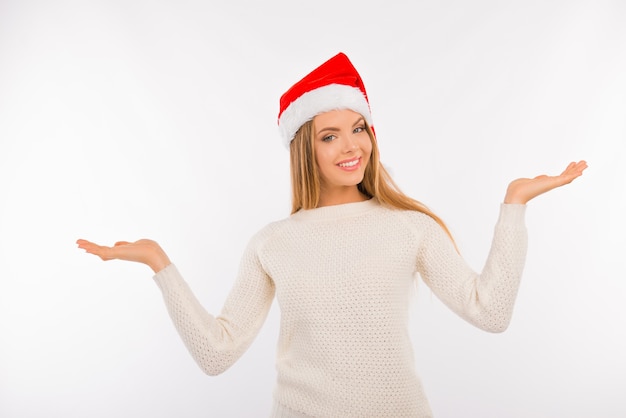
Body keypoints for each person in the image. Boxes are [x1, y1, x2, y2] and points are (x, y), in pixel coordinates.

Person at [77, 52, 587, 417]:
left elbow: (490, 312)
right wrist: (159, 264)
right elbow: (217, 353)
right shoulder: (272, 242)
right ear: (306, 149)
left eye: (359, 128)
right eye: (329, 134)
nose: (351, 145)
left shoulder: (409, 226)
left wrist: (514, 206)